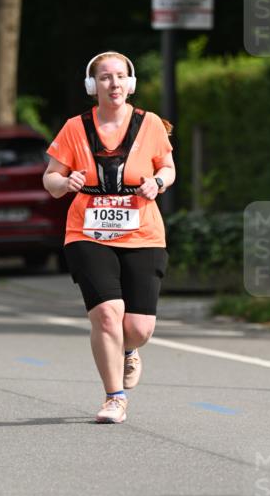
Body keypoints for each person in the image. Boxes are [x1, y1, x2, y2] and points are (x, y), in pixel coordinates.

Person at [43, 51, 176, 423]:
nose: (113, 83)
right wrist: (64, 182)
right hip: (87, 231)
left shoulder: (149, 125)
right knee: (106, 314)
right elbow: (50, 178)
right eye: (104, 77)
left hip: (142, 233)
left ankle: (129, 349)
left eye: (119, 76)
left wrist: (158, 182)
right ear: (92, 85)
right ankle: (114, 397)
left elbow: (167, 166)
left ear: (130, 83)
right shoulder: (74, 127)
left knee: (138, 328)